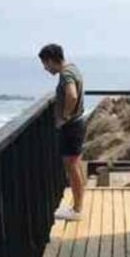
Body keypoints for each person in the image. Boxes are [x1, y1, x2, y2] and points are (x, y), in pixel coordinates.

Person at [38, 43, 86, 221]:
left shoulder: (66, 74)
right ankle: (78, 205)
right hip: (77, 124)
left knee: (72, 167)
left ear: (51, 60)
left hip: (71, 126)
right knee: (76, 165)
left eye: (45, 64)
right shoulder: (73, 68)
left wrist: (64, 116)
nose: (45, 68)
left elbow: (72, 95)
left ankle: (77, 209)